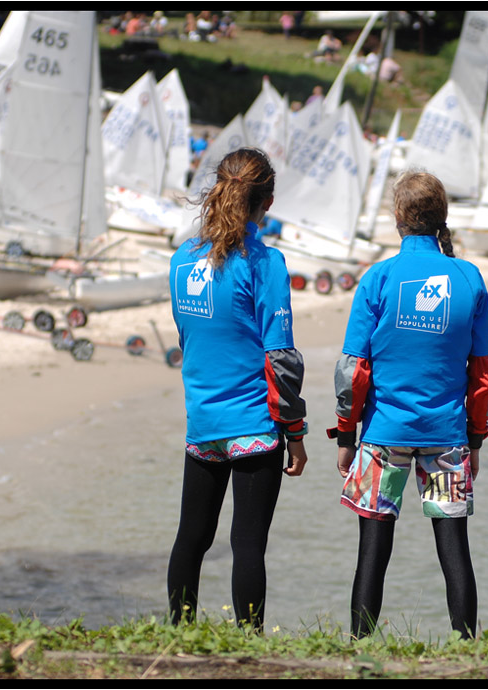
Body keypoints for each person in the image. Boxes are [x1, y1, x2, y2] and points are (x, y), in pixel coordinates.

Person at [331, 170, 488, 639]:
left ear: (399, 217)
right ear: (440, 217)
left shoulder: (379, 278)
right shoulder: (468, 278)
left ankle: (359, 649)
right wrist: (476, 439)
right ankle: (468, 649)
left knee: (372, 551)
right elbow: (483, 376)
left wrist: (346, 436)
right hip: (447, 437)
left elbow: (352, 370)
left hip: (383, 435)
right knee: (454, 551)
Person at [167, 147, 309, 631]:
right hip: (254, 424)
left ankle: (178, 635)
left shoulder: (181, 262)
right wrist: (296, 431)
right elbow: (280, 358)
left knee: (191, 538)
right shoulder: (265, 264)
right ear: (266, 202)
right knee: (248, 545)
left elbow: (188, 338)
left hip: (202, 422)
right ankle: (248, 648)